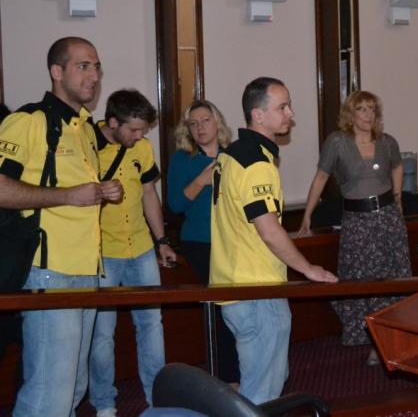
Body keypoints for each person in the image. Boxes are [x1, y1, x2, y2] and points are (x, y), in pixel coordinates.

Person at [0, 37, 123, 417]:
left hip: (87, 271)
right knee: (49, 393)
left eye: (96, 67)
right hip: (49, 271)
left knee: (72, 388)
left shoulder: (85, 130)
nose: (94, 76)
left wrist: (103, 191)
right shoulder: (29, 121)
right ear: (57, 72)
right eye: (83, 66)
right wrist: (69, 196)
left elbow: (78, 194)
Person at [210, 76, 337, 405]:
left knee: (259, 381)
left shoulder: (230, 155)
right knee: (263, 391)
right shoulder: (255, 163)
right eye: (282, 107)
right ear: (258, 115)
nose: (291, 113)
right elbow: (268, 230)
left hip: (232, 285)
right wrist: (308, 268)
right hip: (256, 289)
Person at [298, 90, 411, 363]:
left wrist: (397, 198)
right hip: (357, 222)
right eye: (362, 109)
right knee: (362, 279)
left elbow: (398, 167)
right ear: (351, 114)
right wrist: (306, 216)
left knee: (391, 278)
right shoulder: (337, 142)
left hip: (387, 220)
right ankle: (370, 334)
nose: (368, 114)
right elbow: (320, 178)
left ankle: (385, 338)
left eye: (372, 109)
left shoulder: (387, 142)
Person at [88, 89, 177, 415]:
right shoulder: (87, 144)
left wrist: (161, 240)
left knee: (152, 325)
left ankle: (157, 399)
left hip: (140, 249)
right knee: (102, 334)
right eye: (134, 130)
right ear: (113, 123)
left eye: (143, 130)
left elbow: (149, 193)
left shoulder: (142, 148)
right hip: (102, 254)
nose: (140, 136)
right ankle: (104, 404)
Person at [166, 99, 240, 383]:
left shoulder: (232, 155)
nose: (200, 128)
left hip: (234, 241)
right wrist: (200, 181)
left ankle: (244, 372)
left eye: (205, 121)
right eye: (193, 124)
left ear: (217, 122)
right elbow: (175, 205)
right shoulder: (183, 159)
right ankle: (226, 378)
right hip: (200, 242)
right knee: (220, 310)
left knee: (239, 308)